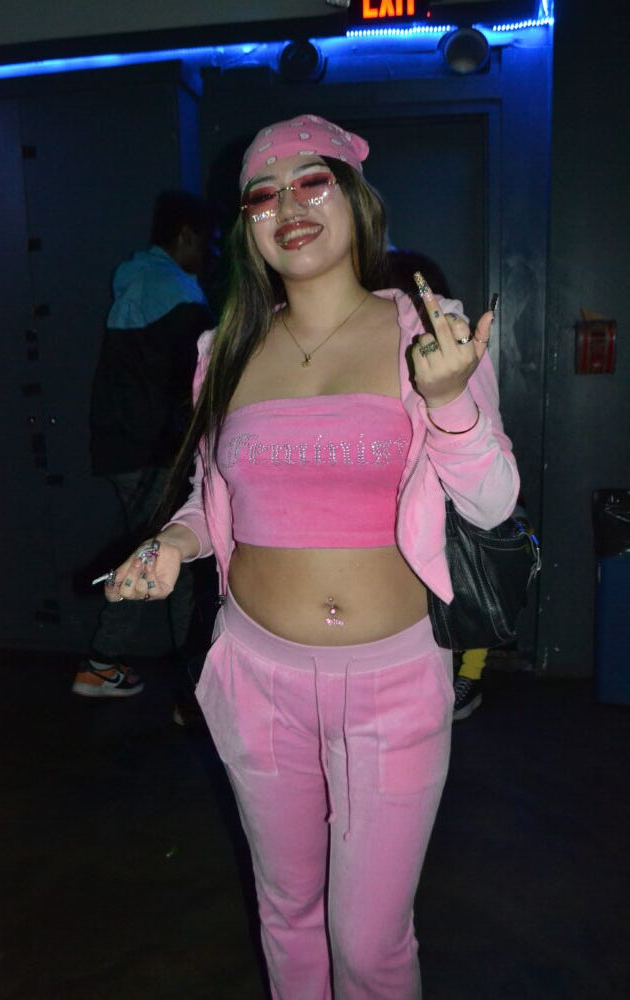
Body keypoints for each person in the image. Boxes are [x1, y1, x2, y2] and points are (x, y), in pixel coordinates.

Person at [105, 115, 519, 996]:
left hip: (393, 681)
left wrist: (449, 400)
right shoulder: (224, 348)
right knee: (287, 913)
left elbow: (492, 502)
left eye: (310, 183)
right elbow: (214, 497)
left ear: (356, 200)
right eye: (262, 195)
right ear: (246, 227)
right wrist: (173, 543)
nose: (286, 206)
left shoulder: (426, 329)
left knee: (368, 945)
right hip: (256, 677)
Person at [72, 191, 216, 698]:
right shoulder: (179, 294)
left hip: (120, 446)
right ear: (185, 236)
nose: (209, 255)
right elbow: (190, 389)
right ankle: (187, 682)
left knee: (150, 550)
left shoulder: (136, 281)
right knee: (172, 558)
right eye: (207, 243)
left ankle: (105, 663)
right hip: (154, 449)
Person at [385, 249, 490, 722]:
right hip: (415, 499)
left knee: (469, 576)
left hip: (458, 486)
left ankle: (471, 671)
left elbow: (487, 435)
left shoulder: (455, 339)